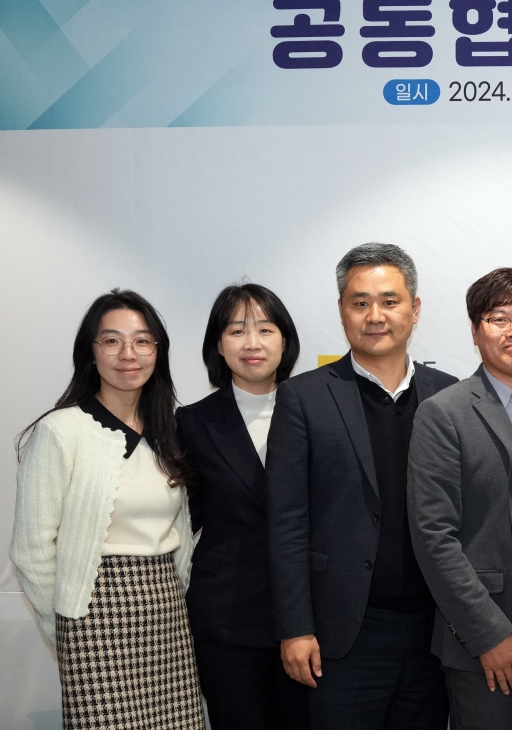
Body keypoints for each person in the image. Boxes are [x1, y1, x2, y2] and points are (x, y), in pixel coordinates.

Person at [268, 243, 458, 730]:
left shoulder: (449, 394)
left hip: (436, 631)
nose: (375, 316)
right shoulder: (303, 397)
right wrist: (295, 628)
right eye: (360, 303)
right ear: (342, 310)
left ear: (414, 309)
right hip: (344, 632)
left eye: (390, 301)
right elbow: (286, 523)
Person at [10, 289, 202, 729]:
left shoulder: (168, 432)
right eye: (111, 340)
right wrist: (69, 629)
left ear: (157, 351)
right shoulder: (61, 431)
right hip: (94, 617)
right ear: (90, 352)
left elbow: (181, 531)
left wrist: (178, 592)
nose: (128, 354)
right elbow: (31, 550)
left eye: (142, 341)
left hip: (167, 613)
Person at [409, 268, 512, 730]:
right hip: (487, 638)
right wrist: (486, 633)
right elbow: (433, 537)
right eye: (499, 318)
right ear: (475, 331)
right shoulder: (444, 413)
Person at [177, 283, 309, 729]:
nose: (252, 343)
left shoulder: (319, 410)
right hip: (227, 618)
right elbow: (183, 517)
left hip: (310, 617)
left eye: (265, 330)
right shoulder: (191, 422)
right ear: (219, 344)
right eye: (237, 331)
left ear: (285, 341)